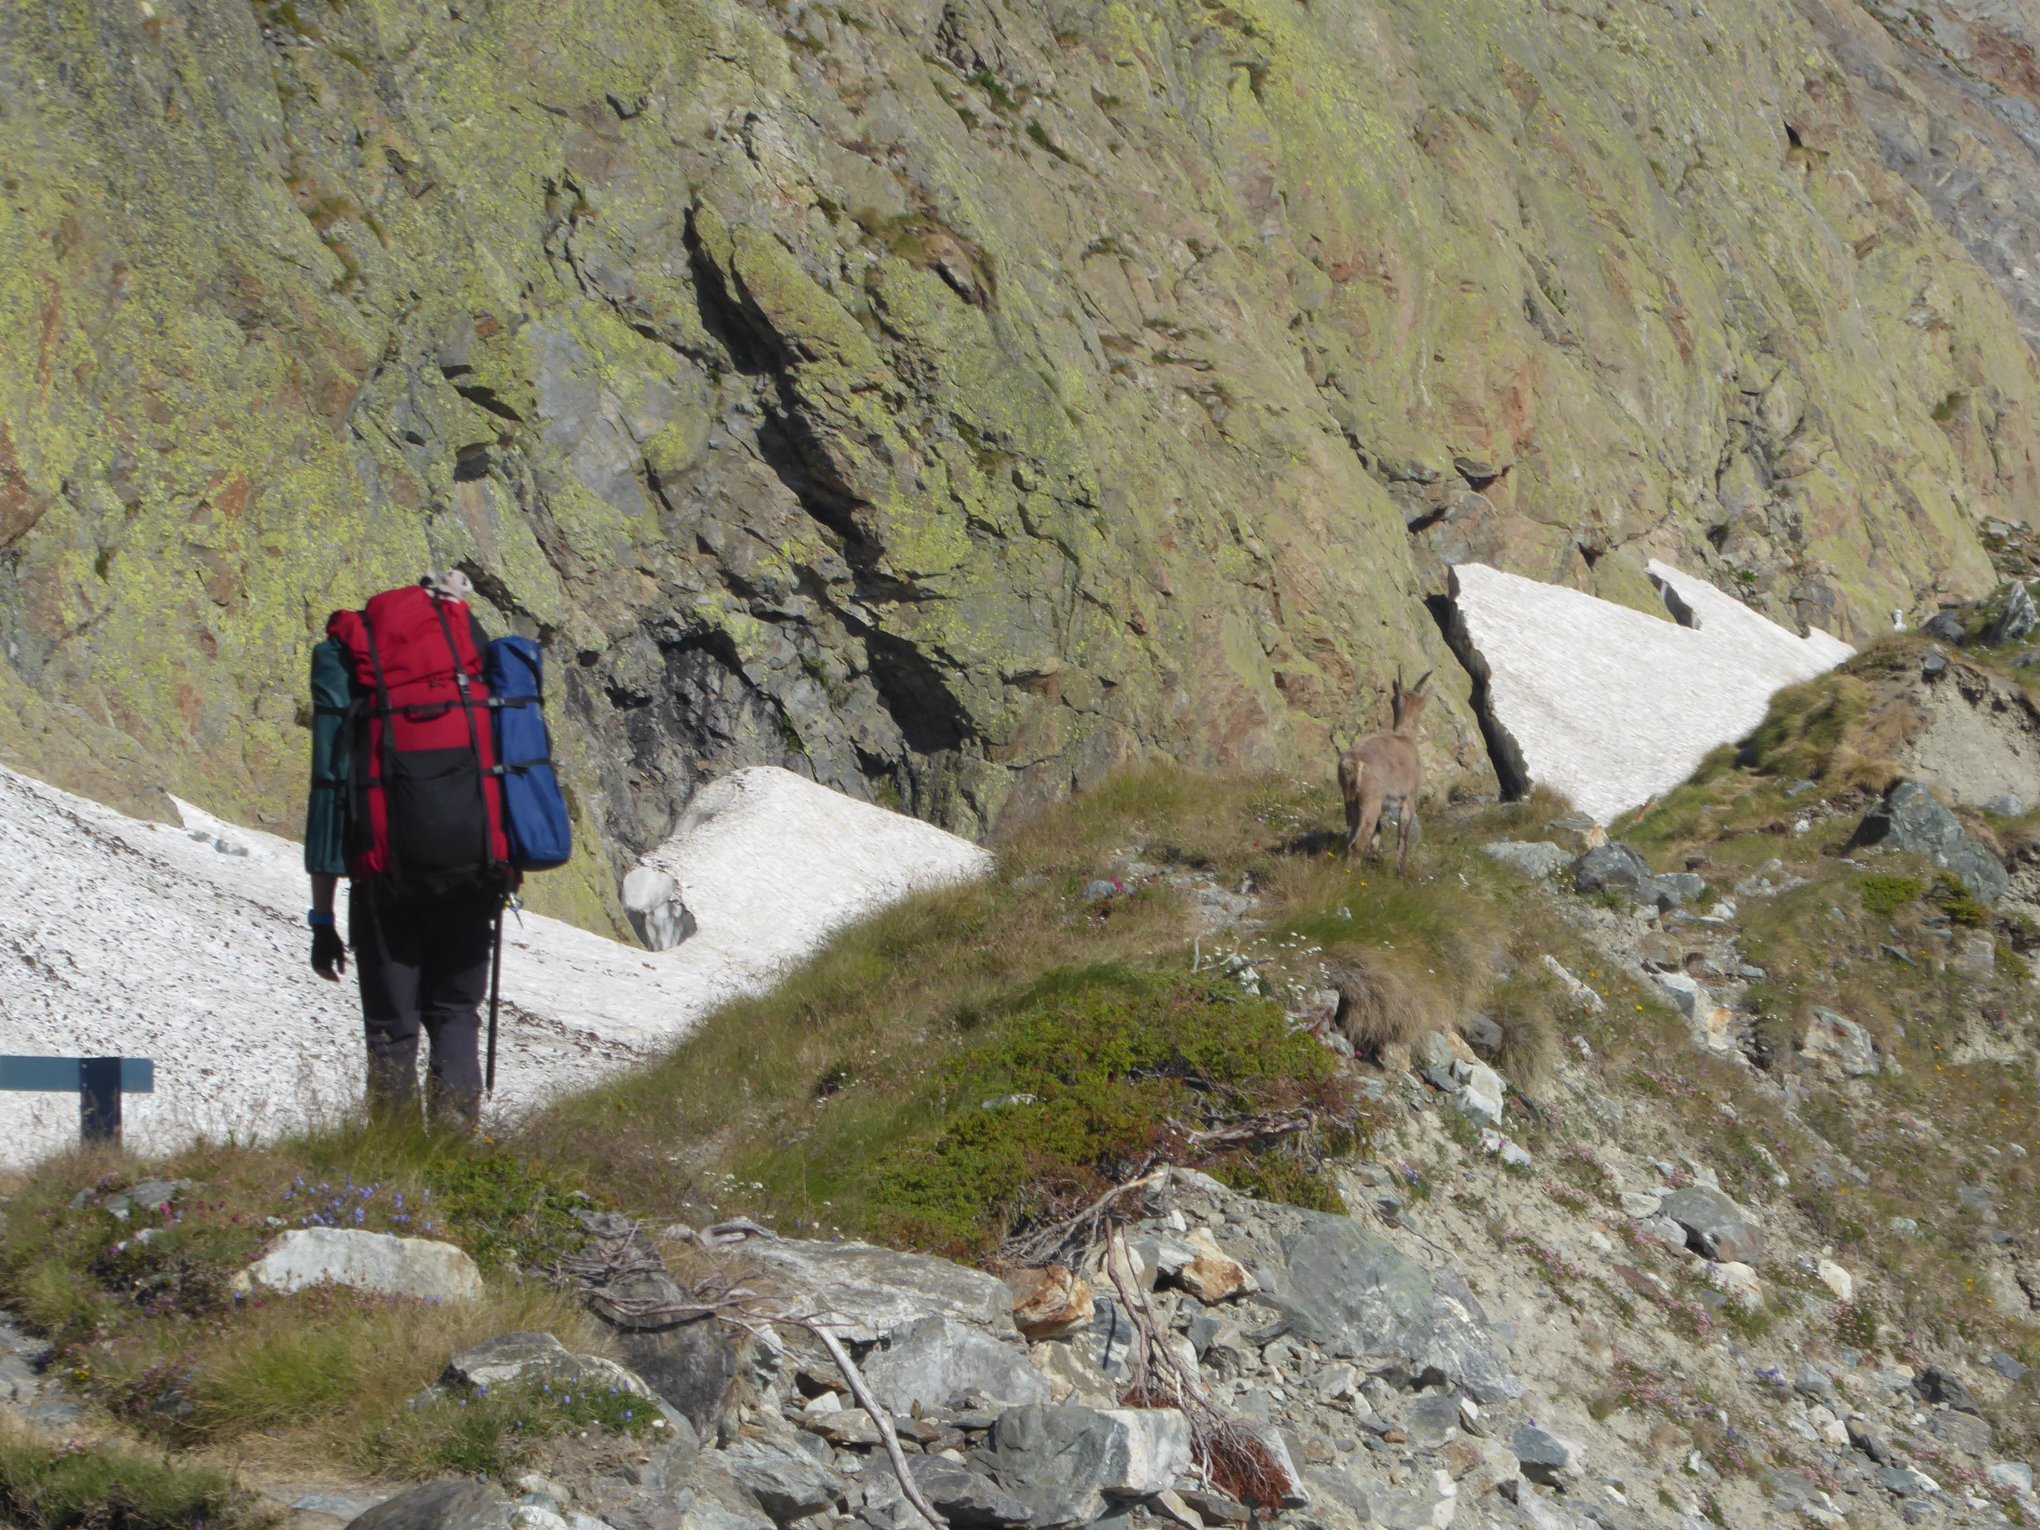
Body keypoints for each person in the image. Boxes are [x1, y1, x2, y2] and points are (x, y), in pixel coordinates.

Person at [304, 569, 503, 1131]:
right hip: (472, 874)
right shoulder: (469, 661)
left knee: (391, 1030)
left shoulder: (353, 675)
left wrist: (322, 918)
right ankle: (458, 1163)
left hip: (385, 882)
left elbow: (329, 798)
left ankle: (395, 1166)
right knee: (456, 1014)